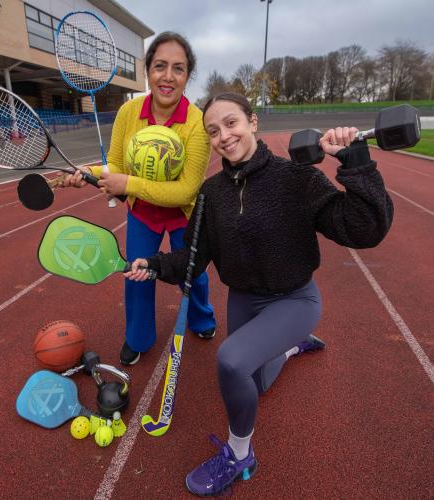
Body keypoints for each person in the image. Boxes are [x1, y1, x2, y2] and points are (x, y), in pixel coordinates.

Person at [124, 92, 394, 496]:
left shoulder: (296, 177)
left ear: (252, 122)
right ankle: (288, 348)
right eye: (213, 131)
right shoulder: (212, 194)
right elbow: (193, 259)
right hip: (245, 298)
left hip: (294, 299)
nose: (223, 136)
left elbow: (365, 229)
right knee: (256, 384)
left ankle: (239, 454)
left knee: (231, 361)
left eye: (231, 123)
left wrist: (356, 162)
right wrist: (156, 265)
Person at [63, 32, 216, 365]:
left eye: (178, 68)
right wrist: (84, 171)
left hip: (182, 213)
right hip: (143, 212)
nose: (168, 76)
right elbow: (114, 165)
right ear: (147, 70)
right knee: (137, 272)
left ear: (187, 76)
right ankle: (138, 337)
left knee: (193, 274)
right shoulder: (128, 112)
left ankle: (202, 319)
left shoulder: (196, 123)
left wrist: (126, 183)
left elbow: (187, 189)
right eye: (160, 66)